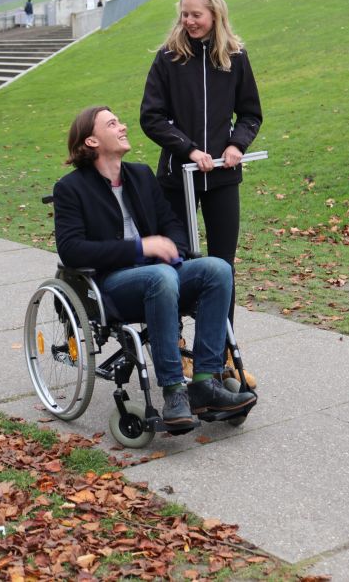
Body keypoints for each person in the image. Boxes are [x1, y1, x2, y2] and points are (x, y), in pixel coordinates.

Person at [52, 105, 257, 429]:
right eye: (112, 123)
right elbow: (72, 250)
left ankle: (205, 382)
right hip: (114, 284)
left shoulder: (141, 175)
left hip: (163, 274)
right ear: (91, 141)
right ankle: (174, 391)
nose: (122, 126)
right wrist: (140, 247)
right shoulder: (71, 189)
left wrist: (173, 248)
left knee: (218, 269)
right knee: (160, 277)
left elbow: (170, 223)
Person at [140, 0, 262, 324]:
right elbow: (151, 117)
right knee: (174, 261)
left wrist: (237, 144)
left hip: (222, 178)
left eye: (196, 15)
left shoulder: (235, 57)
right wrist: (189, 150)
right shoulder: (168, 58)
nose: (189, 21)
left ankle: (223, 352)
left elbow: (250, 113)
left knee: (223, 266)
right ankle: (176, 344)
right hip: (177, 179)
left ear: (215, 14)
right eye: (184, 15)